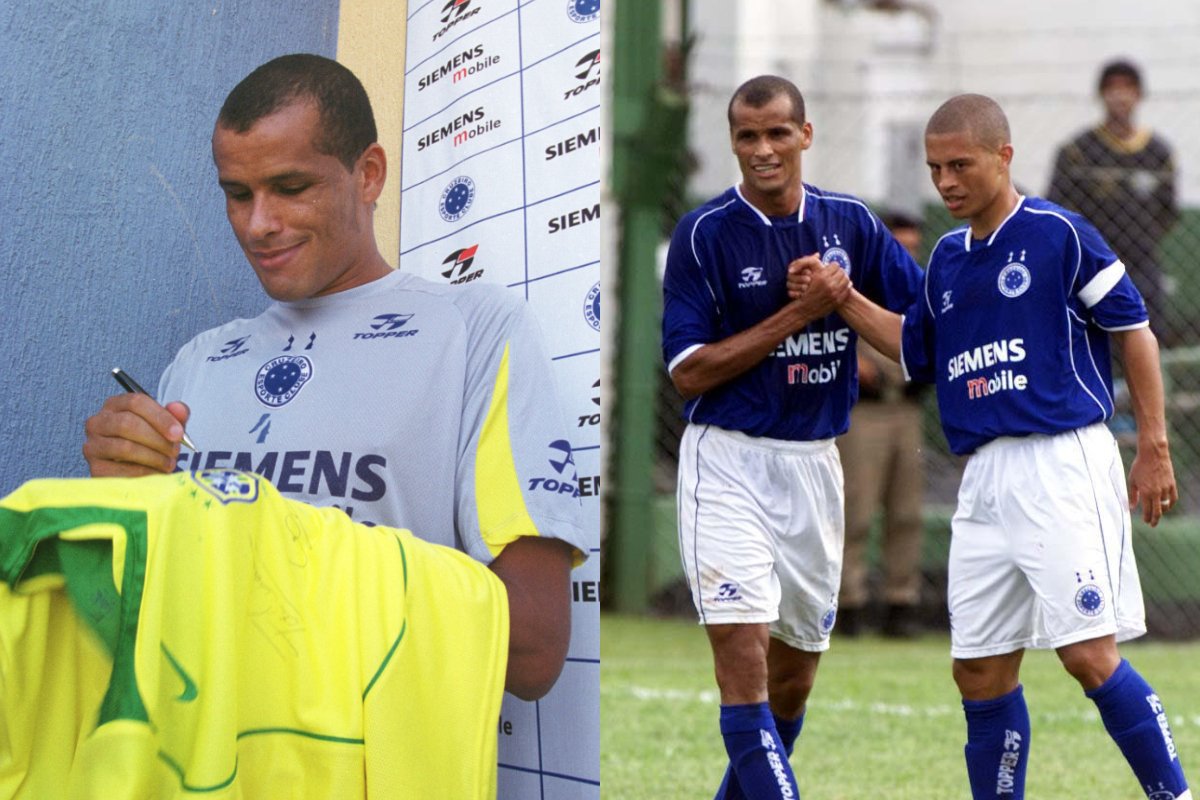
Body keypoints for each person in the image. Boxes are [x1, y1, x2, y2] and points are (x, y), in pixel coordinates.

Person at [80, 54, 587, 704]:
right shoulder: (199, 363)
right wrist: (120, 511)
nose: (258, 223)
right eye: (238, 194)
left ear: (368, 174)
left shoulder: (475, 330)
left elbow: (532, 650)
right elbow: (126, 632)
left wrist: (279, 551)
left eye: (290, 188)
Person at [795, 93, 1190, 800]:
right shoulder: (948, 258)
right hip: (984, 480)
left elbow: (1135, 331)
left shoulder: (1058, 233)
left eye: (961, 164)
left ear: (1003, 157)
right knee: (978, 669)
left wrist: (1153, 445)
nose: (945, 181)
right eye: (935, 167)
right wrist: (843, 298)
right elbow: (914, 350)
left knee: (1088, 656)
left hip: (1060, 461)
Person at [660, 74, 923, 798]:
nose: (763, 149)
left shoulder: (852, 225)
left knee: (792, 685)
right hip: (730, 463)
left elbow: (918, 338)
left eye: (778, 132)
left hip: (815, 465)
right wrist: (797, 316)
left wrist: (843, 296)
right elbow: (688, 371)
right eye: (747, 135)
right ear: (733, 142)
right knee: (742, 663)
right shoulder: (704, 234)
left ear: (806, 135)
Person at [836, 210, 929, 638]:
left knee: (906, 511)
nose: (907, 255)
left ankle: (900, 601)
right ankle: (847, 602)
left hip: (906, 408)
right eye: (900, 247)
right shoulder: (854, 287)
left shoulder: (922, 287)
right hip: (865, 411)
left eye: (913, 247)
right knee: (855, 508)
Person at [1047, 58, 1179, 344]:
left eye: (1128, 87)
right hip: (1091, 263)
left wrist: (1141, 239)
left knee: (1146, 337)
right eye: (1112, 88)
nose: (1120, 95)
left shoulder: (1159, 152)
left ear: (1139, 95)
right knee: (1091, 340)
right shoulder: (1078, 151)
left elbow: (1168, 211)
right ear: (1101, 94)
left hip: (1142, 263)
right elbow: (1057, 206)